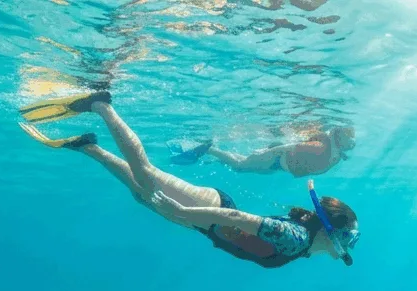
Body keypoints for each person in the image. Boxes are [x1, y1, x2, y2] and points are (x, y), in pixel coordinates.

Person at [18, 92, 359, 270]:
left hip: (205, 222)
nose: (351, 244)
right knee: (147, 175)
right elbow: (239, 219)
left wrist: (188, 217)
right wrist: (184, 210)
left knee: (142, 194)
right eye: (350, 236)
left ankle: (89, 146)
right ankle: (101, 106)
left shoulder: (304, 245)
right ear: (334, 232)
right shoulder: (295, 238)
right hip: (211, 211)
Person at [176, 125, 355, 178]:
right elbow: (289, 147)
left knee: (244, 165)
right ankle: (209, 149)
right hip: (276, 157)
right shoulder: (321, 148)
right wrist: (266, 153)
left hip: (278, 164)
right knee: (240, 166)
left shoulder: (335, 153)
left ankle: (211, 152)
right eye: (349, 140)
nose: (351, 143)